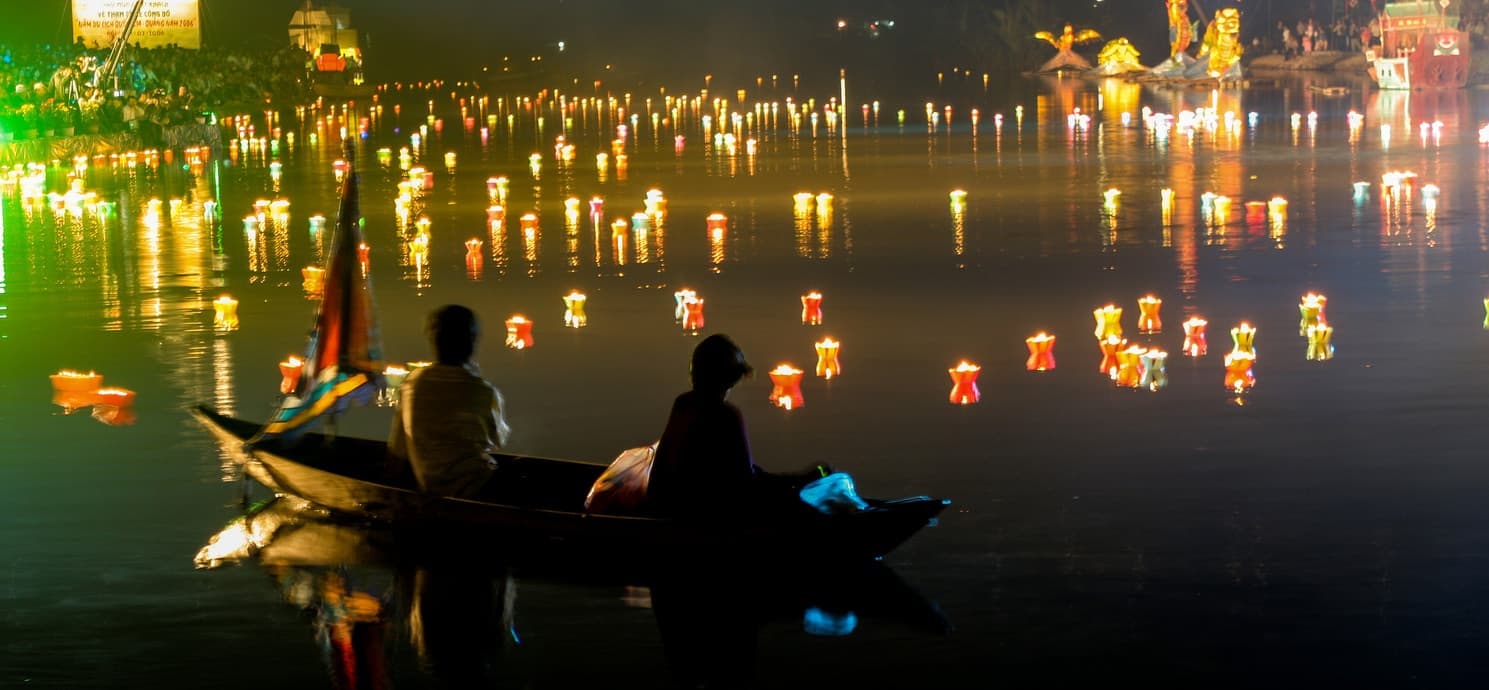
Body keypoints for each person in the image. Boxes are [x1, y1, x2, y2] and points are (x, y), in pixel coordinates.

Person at [646, 333, 819, 518]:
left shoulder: (682, 403)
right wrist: (800, 480)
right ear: (728, 380)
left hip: (670, 503)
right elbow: (746, 483)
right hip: (703, 512)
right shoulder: (727, 415)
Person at [388, 305, 512, 499]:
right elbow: (498, 440)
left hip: (428, 484)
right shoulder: (482, 391)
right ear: (472, 342)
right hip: (478, 487)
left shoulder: (412, 383)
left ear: (434, 342)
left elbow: (398, 449)